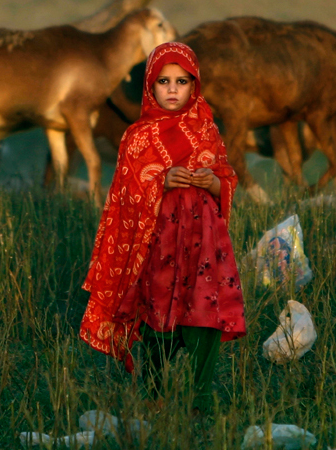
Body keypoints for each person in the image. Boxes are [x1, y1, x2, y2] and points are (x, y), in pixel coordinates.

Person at [79, 41, 246, 413]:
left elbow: (227, 180)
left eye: (182, 81)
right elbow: (125, 192)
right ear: (150, 87)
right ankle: (152, 393)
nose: (172, 89)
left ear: (194, 85)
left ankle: (201, 398)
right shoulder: (137, 136)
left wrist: (211, 182)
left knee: (206, 311)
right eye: (163, 81)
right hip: (159, 240)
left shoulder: (207, 131)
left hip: (203, 241)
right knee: (159, 315)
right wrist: (162, 181)